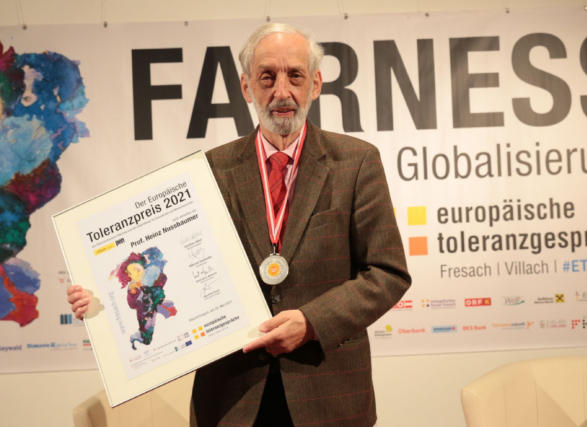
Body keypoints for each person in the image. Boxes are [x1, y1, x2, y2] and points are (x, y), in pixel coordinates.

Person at [67, 23, 411, 427]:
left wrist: (312, 322)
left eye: (295, 75)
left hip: (329, 396)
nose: (281, 91)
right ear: (247, 87)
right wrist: (104, 298)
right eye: (267, 77)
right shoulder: (209, 171)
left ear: (315, 84)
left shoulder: (357, 162)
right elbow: (173, 270)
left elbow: (386, 273)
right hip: (231, 399)